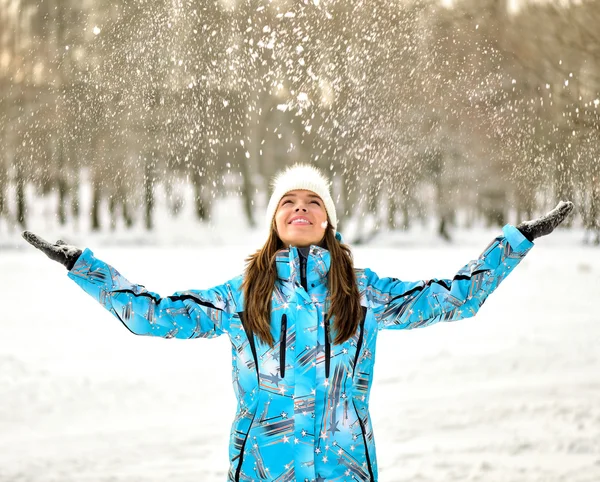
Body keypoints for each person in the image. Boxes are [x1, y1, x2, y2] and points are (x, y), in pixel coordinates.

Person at [23, 164, 574, 482]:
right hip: (264, 471)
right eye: (289, 201)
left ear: (328, 219)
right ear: (275, 220)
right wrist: (82, 266)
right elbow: (153, 316)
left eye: (314, 201)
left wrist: (516, 241)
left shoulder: (363, 294)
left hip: (346, 470)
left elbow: (457, 299)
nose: (301, 208)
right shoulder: (242, 297)